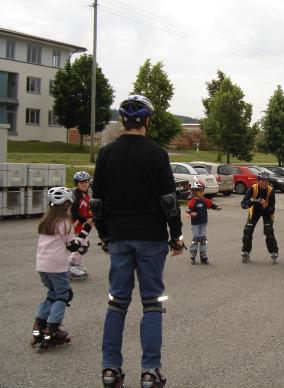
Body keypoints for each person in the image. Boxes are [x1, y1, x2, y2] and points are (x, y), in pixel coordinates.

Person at [92, 95, 183, 388]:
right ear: (147, 121)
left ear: (124, 121)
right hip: (151, 238)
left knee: (117, 303)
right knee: (152, 304)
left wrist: (104, 234)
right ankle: (149, 371)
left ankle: (111, 370)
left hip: (118, 236)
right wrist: (176, 236)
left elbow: (96, 202)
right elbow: (169, 201)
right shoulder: (157, 154)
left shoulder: (106, 154)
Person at [31, 187, 90, 352]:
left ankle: (39, 324)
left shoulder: (45, 221)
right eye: (69, 204)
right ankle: (52, 329)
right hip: (56, 266)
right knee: (64, 295)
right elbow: (72, 246)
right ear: (65, 205)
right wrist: (85, 231)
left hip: (42, 266)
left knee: (52, 294)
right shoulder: (65, 222)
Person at [240, 171, 279, 264]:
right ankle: (246, 252)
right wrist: (255, 202)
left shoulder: (270, 190)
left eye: (267, 181)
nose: (265, 182)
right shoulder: (253, 188)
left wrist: (266, 207)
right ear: (259, 181)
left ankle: (274, 252)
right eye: (262, 180)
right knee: (248, 230)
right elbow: (244, 202)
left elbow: (272, 208)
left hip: (266, 212)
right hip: (254, 211)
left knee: (268, 230)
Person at [185, 180, 222, 264]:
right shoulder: (192, 201)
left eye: (203, 190)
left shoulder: (204, 200)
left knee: (203, 239)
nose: (203, 192)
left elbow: (211, 204)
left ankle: (203, 255)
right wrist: (191, 212)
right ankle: (193, 254)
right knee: (196, 238)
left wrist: (217, 207)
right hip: (195, 224)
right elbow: (187, 209)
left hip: (203, 222)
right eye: (201, 191)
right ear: (194, 192)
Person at [69, 171, 93, 280]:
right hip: (76, 225)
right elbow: (74, 213)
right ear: (76, 184)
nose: (84, 184)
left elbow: (87, 210)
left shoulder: (86, 195)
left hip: (84, 225)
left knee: (84, 245)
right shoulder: (76, 196)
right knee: (81, 245)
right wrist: (86, 220)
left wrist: (92, 216)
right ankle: (71, 265)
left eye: (86, 182)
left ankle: (76, 264)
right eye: (81, 182)